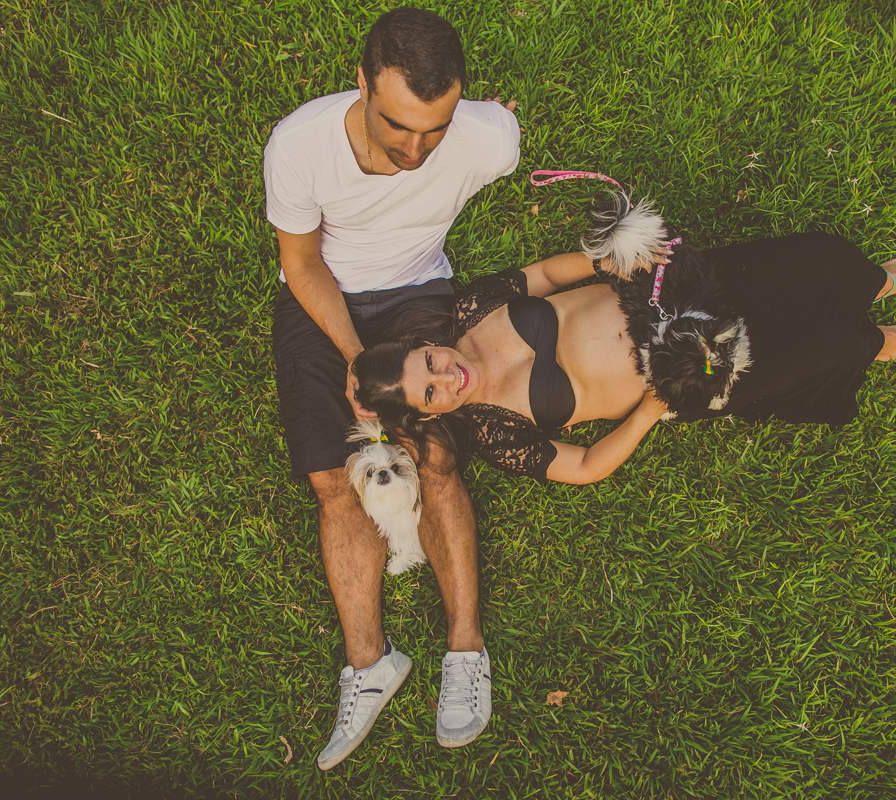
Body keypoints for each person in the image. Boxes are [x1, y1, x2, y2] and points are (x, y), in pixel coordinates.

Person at [263, 7, 519, 769]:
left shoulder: (487, 141)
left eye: (434, 130)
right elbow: (302, 263)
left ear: (461, 100)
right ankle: (370, 663)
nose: (415, 149)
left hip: (417, 293)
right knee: (328, 478)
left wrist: (478, 128)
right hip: (321, 300)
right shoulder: (299, 146)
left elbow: (491, 131)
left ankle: (465, 651)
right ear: (363, 85)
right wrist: (353, 355)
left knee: (436, 455)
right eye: (398, 125)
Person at [352, 232, 896, 484]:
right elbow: (583, 467)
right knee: (826, 351)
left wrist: (610, 260)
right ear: (429, 414)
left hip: (680, 292)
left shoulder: (474, 308)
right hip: (691, 369)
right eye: (430, 391)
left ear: (424, 345)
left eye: (428, 360)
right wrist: (649, 411)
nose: (446, 374)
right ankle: (875, 343)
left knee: (819, 262)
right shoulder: (494, 432)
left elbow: (548, 274)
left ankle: (875, 282)